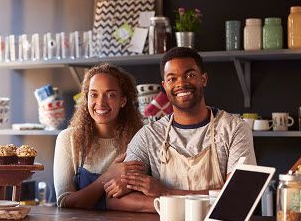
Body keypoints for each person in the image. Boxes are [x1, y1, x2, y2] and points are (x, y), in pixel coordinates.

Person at [104, 47, 257, 211]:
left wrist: (166, 193)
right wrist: (166, 205)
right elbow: (114, 199)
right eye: (172, 79)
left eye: (190, 75)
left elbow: (241, 195)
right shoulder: (149, 135)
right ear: (164, 86)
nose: (181, 84)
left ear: (203, 79)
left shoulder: (234, 129)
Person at [53, 63, 145, 210]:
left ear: (123, 101)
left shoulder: (139, 138)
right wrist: (108, 176)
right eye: (94, 94)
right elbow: (65, 202)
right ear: (87, 98)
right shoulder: (68, 139)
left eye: (110, 95)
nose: (100, 103)